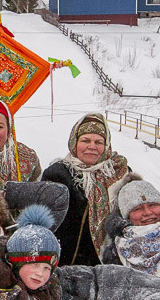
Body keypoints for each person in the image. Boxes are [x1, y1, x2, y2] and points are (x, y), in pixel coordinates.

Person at [41, 112, 139, 266]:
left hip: (111, 262)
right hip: (69, 262)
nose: (92, 147)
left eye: (98, 142)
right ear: (74, 142)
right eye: (85, 140)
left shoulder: (120, 172)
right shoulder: (58, 174)